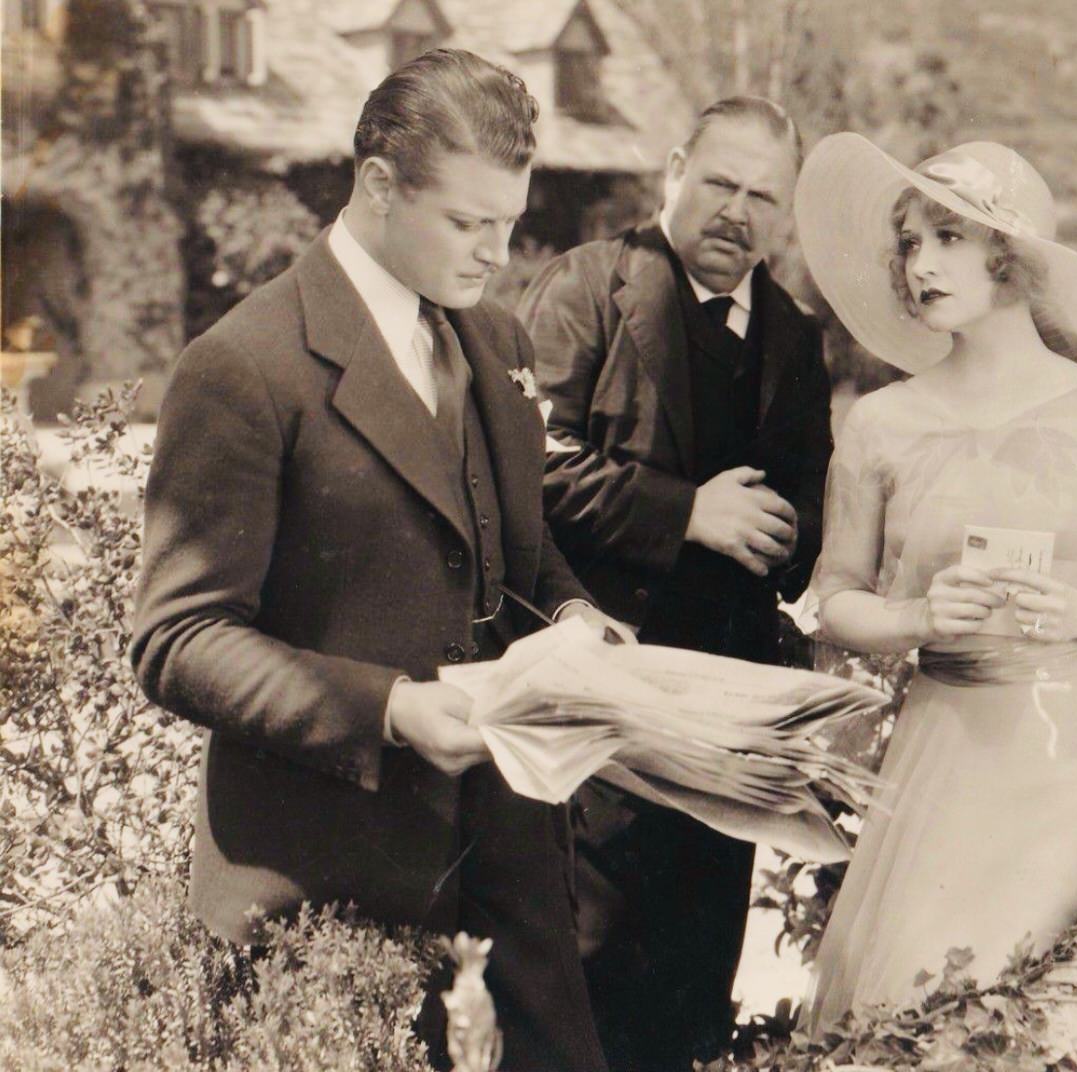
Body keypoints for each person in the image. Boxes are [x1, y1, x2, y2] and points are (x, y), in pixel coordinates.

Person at [129, 49, 631, 1072]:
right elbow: (174, 639)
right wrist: (391, 709)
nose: (498, 251)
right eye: (466, 222)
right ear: (376, 185)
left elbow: (514, 552)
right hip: (326, 879)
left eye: (508, 220)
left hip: (510, 855)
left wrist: (575, 615)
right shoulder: (242, 363)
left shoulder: (491, 337)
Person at [792, 133, 1077, 1031]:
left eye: (946, 237)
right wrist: (914, 616)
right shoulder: (880, 423)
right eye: (908, 241)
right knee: (925, 1001)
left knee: (1059, 1007)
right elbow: (835, 599)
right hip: (949, 740)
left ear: (1007, 256)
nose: (920, 264)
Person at [516, 96, 834, 1069]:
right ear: (672, 172)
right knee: (588, 963)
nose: (737, 212)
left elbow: (805, 516)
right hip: (605, 685)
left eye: (762, 197)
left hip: (728, 713)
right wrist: (687, 513)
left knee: (698, 974)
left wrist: (785, 538)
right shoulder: (583, 289)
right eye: (720, 183)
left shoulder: (791, 334)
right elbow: (527, 464)